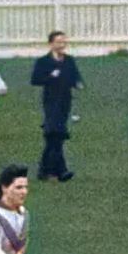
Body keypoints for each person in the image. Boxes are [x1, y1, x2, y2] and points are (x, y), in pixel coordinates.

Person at [31, 31, 83, 182]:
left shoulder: (69, 61)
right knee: (56, 133)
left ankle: (44, 171)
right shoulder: (43, 62)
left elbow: (75, 77)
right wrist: (50, 77)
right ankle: (62, 171)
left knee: (54, 136)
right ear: (51, 44)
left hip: (65, 101)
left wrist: (78, 84)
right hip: (50, 101)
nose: (62, 45)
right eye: (58, 42)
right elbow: (35, 80)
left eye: (63, 42)